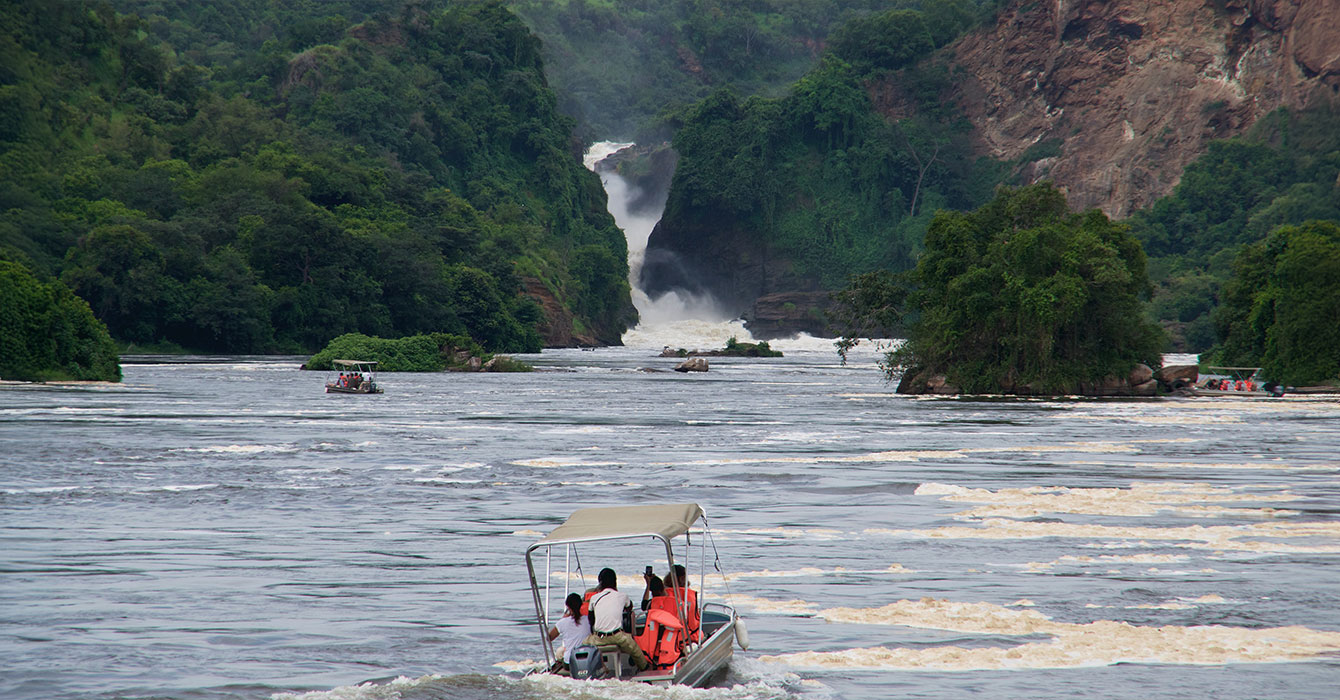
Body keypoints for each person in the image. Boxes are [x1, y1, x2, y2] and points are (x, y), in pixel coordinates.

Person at [582, 567, 649, 671]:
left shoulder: (594, 598)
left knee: (582, 645)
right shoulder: (622, 596)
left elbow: (591, 620)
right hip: (617, 636)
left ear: (600, 582)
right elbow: (629, 607)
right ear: (615, 581)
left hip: (598, 638)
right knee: (636, 652)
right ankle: (646, 669)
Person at [547, 592, 591, 672]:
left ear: (568, 608)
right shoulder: (589, 620)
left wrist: (562, 618)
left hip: (570, 662)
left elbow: (549, 638)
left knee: (560, 652)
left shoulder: (563, 622)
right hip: (587, 659)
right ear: (581, 606)